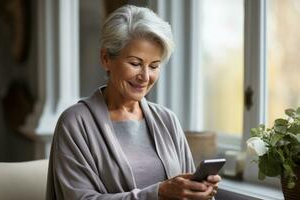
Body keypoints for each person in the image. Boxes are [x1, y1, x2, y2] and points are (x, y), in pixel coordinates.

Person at [46, 5, 221, 200]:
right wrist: (159, 193)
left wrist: (198, 192)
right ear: (106, 59)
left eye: (154, 66)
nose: (145, 77)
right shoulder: (75, 123)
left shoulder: (167, 120)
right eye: (135, 63)